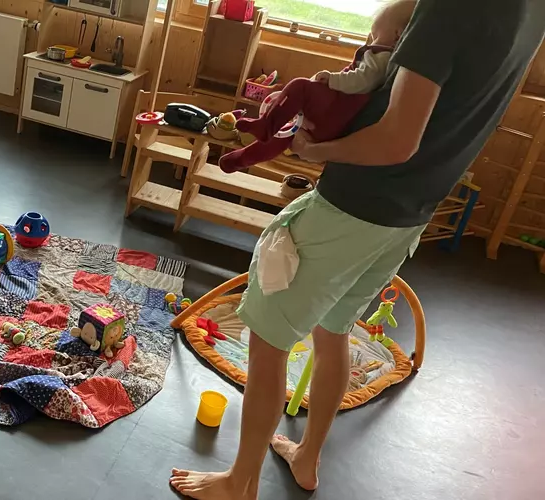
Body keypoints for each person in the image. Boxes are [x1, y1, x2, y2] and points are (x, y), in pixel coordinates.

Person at [170, 0, 545, 498]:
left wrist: (312, 151)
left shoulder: (448, 9)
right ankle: (307, 458)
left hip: (354, 207)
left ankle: (240, 484)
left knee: (267, 342)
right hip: (406, 219)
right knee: (334, 331)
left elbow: (396, 141)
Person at [219, 1, 415, 172]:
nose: (372, 40)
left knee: (300, 86)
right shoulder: (392, 62)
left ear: (397, 35)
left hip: (336, 110)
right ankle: (243, 158)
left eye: (375, 35)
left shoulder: (381, 56)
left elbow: (363, 81)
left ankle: (265, 125)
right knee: (286, 134)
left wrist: (331, 79)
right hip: (336, 120)